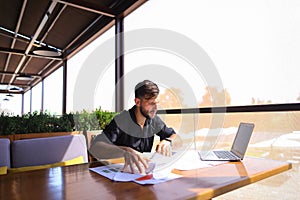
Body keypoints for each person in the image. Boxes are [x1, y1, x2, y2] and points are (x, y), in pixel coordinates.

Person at [90, 80, 181, 174]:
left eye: (156, 103)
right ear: (138, 102)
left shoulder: (153, 120)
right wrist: (125, 151)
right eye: (151, 103)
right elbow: (95, 147)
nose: (155, 108)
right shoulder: (121, 120)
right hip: (119, 176)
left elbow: (174, 135)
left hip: (143, 174)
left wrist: (167, 141)